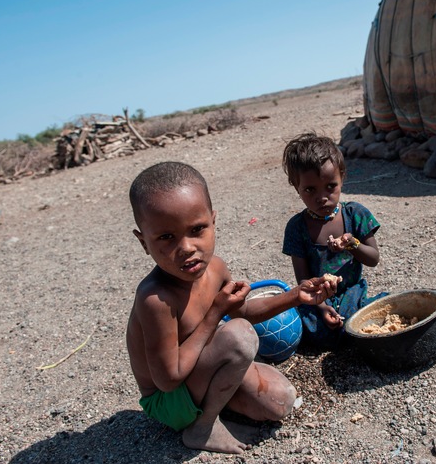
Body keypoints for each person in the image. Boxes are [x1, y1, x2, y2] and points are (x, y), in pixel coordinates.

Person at [126, 161, 336, 454]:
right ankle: (203, 427)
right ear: (144, 242)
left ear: (213, 221)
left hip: (201, 373)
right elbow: (168, 379)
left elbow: (242, 313)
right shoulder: (156, 299)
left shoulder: (215, 268)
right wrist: (214, 315)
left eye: (197, 229)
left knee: (279, 401)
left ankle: (218, 399)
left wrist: (295, 296)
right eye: (165, 237)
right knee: (239, 337)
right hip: (170, 402)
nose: (186, 247)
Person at [281, 133, 387, 349]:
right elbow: (303, 281)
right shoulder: (297, 227)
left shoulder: (355, 214)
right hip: (317, 298)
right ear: (296, 187)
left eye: (330, 186)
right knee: (305, 328)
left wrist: (352, 243)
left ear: (342, 177)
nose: (322, 197)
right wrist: (321, 307)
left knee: (370, 313)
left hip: (352, 292)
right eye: (310, 190)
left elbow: (374, 259)